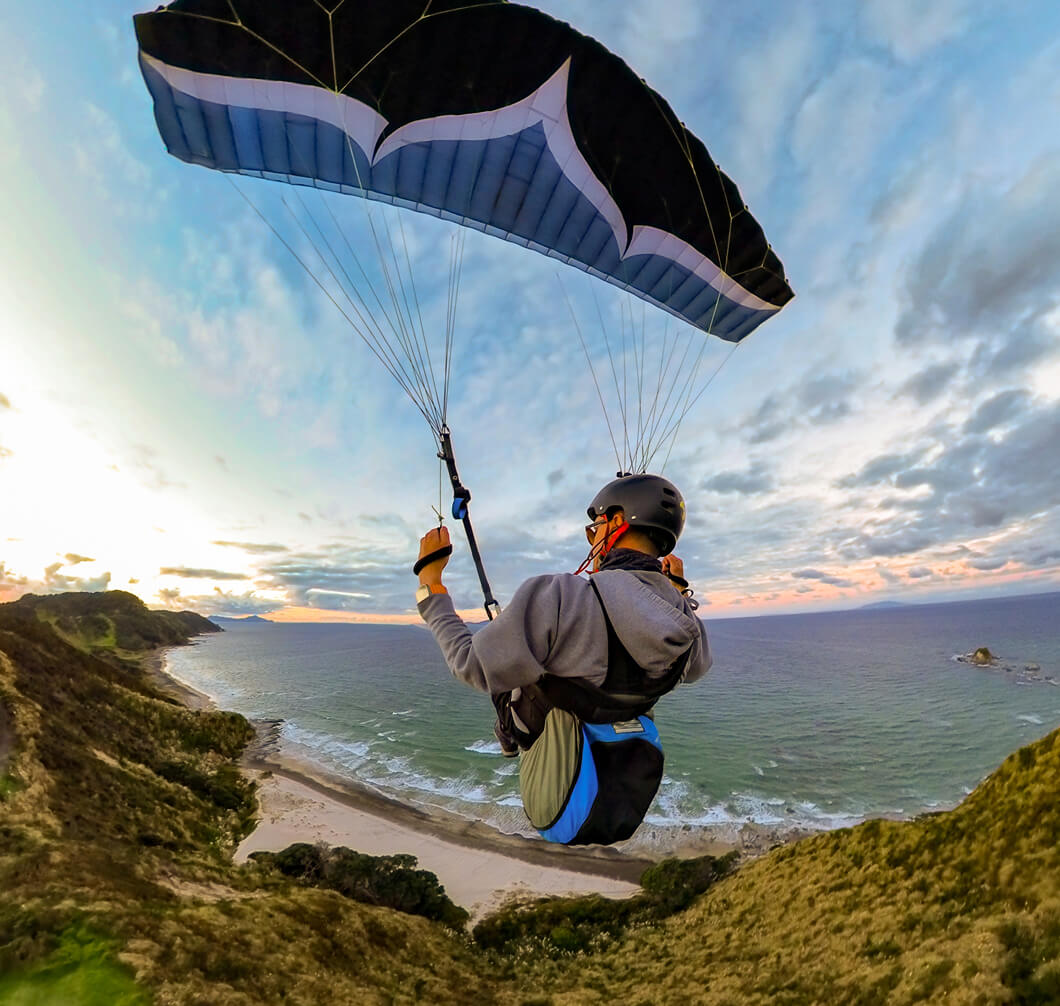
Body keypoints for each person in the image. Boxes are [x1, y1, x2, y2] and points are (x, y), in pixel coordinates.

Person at [413, 474, 711, 757]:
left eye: (594, 528)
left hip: (555, 756)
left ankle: (508, 736)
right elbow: (695, 668)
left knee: (512, 657)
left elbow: (469, 663)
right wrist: (677, 591)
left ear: (618, 521)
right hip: (615, 758)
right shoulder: (686, 624)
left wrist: (431, 584)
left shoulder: (559, 597)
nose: (592, 539)